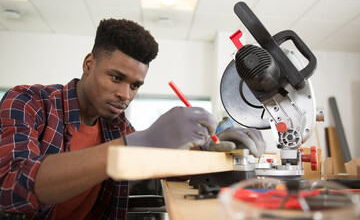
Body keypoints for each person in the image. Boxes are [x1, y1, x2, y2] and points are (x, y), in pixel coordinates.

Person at [0, 19, 265, 219]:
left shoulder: (116, 125)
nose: (124, 95)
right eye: (116, 78)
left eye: (135, 86)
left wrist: (208, 149)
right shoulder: (28, 102)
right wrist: (132, 146)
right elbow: (11, 187)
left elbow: (162, 164)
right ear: (89, 64)